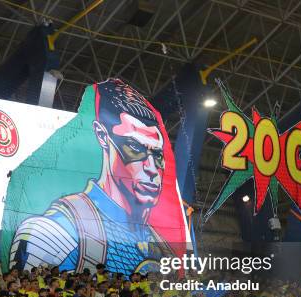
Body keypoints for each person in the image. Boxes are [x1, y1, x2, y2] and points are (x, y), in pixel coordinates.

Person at [10, 79, 176, 274]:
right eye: (134, 148)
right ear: (102, 136)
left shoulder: (164, 250)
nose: (151, 168)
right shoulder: (53, 232)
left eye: (157, 155)